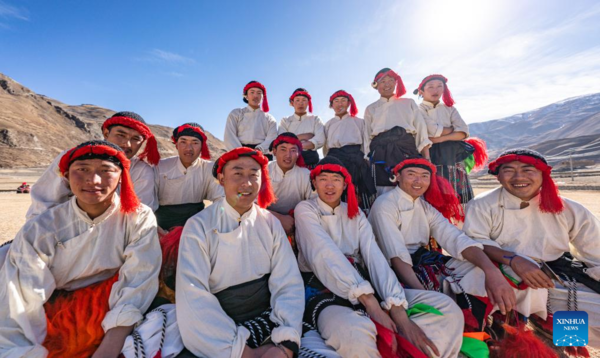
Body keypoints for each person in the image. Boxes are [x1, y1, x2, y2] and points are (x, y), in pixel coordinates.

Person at [0, 140, 161, 357]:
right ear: (66, 176)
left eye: (106, 171)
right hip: (52, 304)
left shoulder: (138, 217)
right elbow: (21, 299)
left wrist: (111, 345)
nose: (93, 180)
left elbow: (138, 280)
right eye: (82, 169)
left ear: (122, 176)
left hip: (110, 300)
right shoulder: (41, 228)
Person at [295, 156, 465, 357]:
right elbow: (324, 254)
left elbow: (373, 255)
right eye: (323, 179)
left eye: (336, 179)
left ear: (345, 184)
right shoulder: (305, 209)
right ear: (314, 183)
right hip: (323, 288)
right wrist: (372, 304)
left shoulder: (355, 213)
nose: (330, 185)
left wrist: (396, 307)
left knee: (447, 309)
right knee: (354, 333)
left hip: (365, 283)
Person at [463, 149, 600, 347]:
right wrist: (514, 260)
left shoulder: (570, 209)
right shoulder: (482, 204)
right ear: (498, 176)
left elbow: (595, 250)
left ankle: (555, 338)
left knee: (588, 318)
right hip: (498, 274)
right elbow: (474, 242)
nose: (519, 177)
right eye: (509, 170)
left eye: (528, 170)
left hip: (551, 276)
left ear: (543, 175)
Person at [176, 147, 304, 358]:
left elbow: (287, 281)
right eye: (237, 174)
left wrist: (286, 343)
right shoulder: (198, 225)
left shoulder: (270, 222)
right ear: (221, 179)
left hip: (267, 318)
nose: (247, 183)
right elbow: (192, 293)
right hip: (216, 324)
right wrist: (244, 353)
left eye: (254, 175)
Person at [368, 157, 516, 331]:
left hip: (422, 259)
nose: (418, 181)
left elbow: (454, 237)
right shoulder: (385, 204)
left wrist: (490, 269)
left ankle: (477, 326)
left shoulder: (424, 207)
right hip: (391, 266)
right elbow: (396, 255)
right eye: (411, 174)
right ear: (397, 177)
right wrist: (427, 295)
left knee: (479, 271)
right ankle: (468, 329)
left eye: (424, 176)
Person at [26, 111, 160, 219]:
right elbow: (45, 201)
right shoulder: (72, 158)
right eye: (121, 135)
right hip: (62, 226)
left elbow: (139, 212)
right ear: (106, 133)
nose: (127, 144)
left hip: (116, 231)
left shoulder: (142, 170)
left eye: (136, 139)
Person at [414, 74, 487, 204]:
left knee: (462, 199)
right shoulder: (417, 110)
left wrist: (439, 139)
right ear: (421, 91)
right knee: (435, 199)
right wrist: (452, 130)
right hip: (430, 154)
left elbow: (463, 132)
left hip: (454, 156)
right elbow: (432, 130)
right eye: (430, 87)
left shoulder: (450, 109)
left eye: (439, 86)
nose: (435, 90)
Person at [364, 68, 432, 195]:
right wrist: (367, 159)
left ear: (396, 83)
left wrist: (426, 157)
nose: (387, 84)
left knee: (411, 188)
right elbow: (367, 135)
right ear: (376, 85)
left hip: (407, 150)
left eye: (391, 80)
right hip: (380, 152)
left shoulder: (409, 103)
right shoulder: (370, 108)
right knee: (383, 192)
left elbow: (420, 129)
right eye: (383, 81)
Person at [155, 122, 223, 231]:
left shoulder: (210, 169)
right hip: (160, 226)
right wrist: (155, 229)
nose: (189, 148)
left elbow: (220, 199)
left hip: (197, 226)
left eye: (195, 142)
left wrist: (209, 224)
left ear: (202, 146)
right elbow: (147, 203)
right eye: (183, 142)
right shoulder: (160, 167)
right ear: (176, 145)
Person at [324, 90, 376, 211]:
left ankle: (363, 218)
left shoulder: (359, 121)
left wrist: (366, 158)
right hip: (335, 159)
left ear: (349, 103)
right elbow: (326, 147)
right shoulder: (328, 124)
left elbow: (366, 141)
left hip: (355, 158)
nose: (339, 104)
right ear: (332, 105)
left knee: (358, 191)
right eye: (336, 101)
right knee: (337, 190)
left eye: (343, 101)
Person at [267, 132, 314, 238]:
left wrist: (295, 219)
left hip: (295, 222)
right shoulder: (263, 170)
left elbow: (313, 204)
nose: (288, 155)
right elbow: (249, 204)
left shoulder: (306, 174)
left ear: (298, 154)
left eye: (293, 150)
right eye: (283, 149)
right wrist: (278, 218)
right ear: (274, 151)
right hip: (264, 220)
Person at [224, 81, 278, 159]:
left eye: (259, 93)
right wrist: (241, 152)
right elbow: (229, 136)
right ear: (246, 96)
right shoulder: (236, 113)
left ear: (263, 96)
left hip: (262, 154)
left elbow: (272, 138)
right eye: (252, 92)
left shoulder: (270, 118)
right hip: (238, 154)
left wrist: (259, 149)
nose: (255, 96)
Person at [279, 88, 326, 168]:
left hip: (311, 161)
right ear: (292, 103)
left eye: (304, 100)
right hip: (290, 160)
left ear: (308, 102)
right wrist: (306, 136)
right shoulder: (285, 120)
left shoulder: (315, 119)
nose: (300, 103)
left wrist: (293, 141)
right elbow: (281, 140)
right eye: (297, 100)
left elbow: (320, 139)